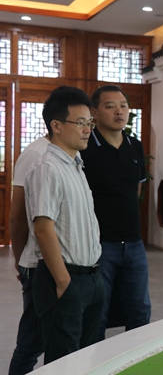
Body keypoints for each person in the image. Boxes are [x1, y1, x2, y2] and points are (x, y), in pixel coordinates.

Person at [24, 86, 104, 364]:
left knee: (89, 357)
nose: (87, 129)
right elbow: (43, 228)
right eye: (80, 123)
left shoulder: (75, 165)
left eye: (89, 123)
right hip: (65, 278)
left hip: (91, 278)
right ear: (56, 126)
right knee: (64, 362)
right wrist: (63, 282)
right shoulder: (48, 168)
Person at [80, 85, 150, 340]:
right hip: (99, 244)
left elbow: (136, 189)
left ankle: (137, 358)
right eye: (110, 106)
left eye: (123, 106)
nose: (119, 111)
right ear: (94, 113)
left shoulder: (135, 146)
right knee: (98, 312)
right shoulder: (86, 147)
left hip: (134, 243)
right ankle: (96, 360)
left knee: (140, 311)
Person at [8, 136, 49, 375]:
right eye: (80, 122)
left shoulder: (73, 155)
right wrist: (19, 260)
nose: (86, 129)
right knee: (31, 342)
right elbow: (17, 217)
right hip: (36, 264)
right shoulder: (36, 154)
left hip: (63, 263)